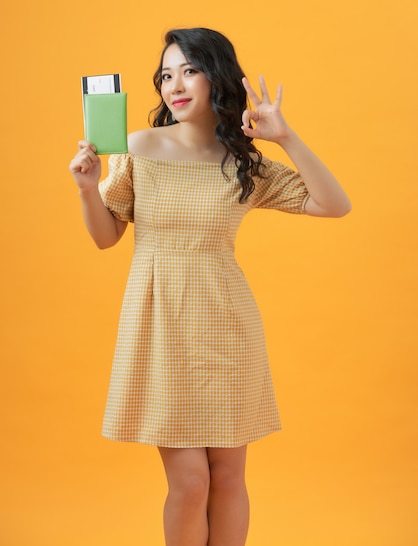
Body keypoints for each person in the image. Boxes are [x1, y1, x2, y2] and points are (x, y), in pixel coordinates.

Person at [69, 27, 351, 546]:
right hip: (159, 329)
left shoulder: (243, 162)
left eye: (189, 71)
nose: (175, 85)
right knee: (191, 483)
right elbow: (106, 237)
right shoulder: (138, 148)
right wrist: (88, 189)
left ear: (217, 77)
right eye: (166, 75)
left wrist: (285, 136)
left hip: (227, 329)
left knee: (228, 478)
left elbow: (334, 203)